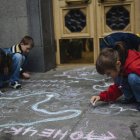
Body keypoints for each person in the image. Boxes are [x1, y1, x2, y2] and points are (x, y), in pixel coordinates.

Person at [90, 44, 140, 111]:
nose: (108, 76)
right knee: (119, 78)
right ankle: (132, 99)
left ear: (118, 64)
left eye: (109, 73)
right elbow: (118, 87)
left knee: (133, 78)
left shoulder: (134, 66)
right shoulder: (120, 66)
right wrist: (100, 97)